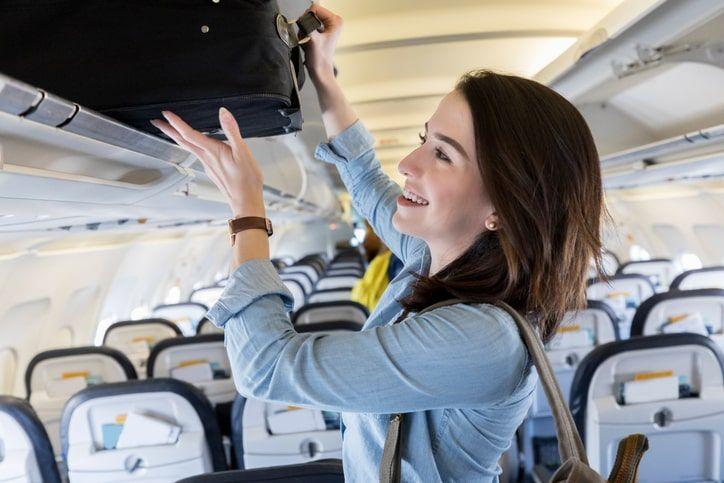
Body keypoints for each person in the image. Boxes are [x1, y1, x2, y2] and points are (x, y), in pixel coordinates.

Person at [150, 4, 607, 481]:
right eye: (424, 139)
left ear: (503, 208)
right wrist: (324, 77)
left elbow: (265, 366)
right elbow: (368, 180)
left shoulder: (482, 341)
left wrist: (246, 211)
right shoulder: (434, 260)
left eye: (442, 155)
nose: (408, 163)